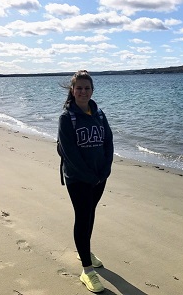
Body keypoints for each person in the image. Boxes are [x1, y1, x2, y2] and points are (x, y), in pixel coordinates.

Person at [57, 70, 114, 293]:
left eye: (87, 88)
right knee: (83, 217)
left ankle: (85, 249)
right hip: (78, 179)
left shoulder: (99, 114)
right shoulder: (66, 118)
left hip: (99, 177)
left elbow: (108, 142)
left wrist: (106, 169)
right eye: (79, 88)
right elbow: (70, 153)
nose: (83, 91)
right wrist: (89, 176)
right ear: (73, 90)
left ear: (92, 90)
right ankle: (87, 270)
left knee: (90, 214)